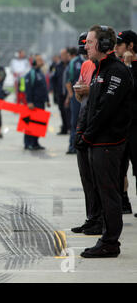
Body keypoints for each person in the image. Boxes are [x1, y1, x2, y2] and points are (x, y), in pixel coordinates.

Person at [76, 25, 133, 258]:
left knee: (110, 193)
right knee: (102, 190)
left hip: (107, 143)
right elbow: (92, 107)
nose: (86, 46)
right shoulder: (101, 69)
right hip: (97, 142)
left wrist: (87, 135)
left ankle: (110, 242)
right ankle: (106, 238)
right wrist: (84, 133)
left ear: (104, 45)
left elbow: (106, 109)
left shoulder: (116, 71)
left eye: (90, 42)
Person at [71, 32, 102, 235]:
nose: (85, 49)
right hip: (83, 120)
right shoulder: (85, 66)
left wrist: (86, 90)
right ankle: (92, 217)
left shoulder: (103, 67)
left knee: (97, 178)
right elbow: (79, 94)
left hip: (95, 127)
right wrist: (79, 90)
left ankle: (100, 220)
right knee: (86, 178)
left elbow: (100, 92)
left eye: (89, 44)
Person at [115, 30, 137, 215]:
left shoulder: (129, 67)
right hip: (123, 126)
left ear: (130, 46)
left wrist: (129, 66)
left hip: (136, 126)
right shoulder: (119, 66)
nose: (116, 48)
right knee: (120, 166)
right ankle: (123, 200)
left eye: (119, 44)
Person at [23, 54, 50, 150]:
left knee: (39, 125)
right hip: (33, 102)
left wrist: (47, 100)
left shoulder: (41, 73)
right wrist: (29, 101)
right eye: (39, 60)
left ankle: (35, 142)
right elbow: (28, 89)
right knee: (30, 124)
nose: (42, 61)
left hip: (41, 102)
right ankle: (28, 143)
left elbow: (44, 88)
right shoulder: (31, 74)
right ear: (34, 62)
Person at [65, 47, 85, 154]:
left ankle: (80, 144)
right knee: (75, 121)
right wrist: (71, 96)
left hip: (84, 96)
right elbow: (68, 81)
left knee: (82, 121)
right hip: (76, 97)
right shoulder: (74, 62)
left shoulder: (87, 61)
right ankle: (72, 145)